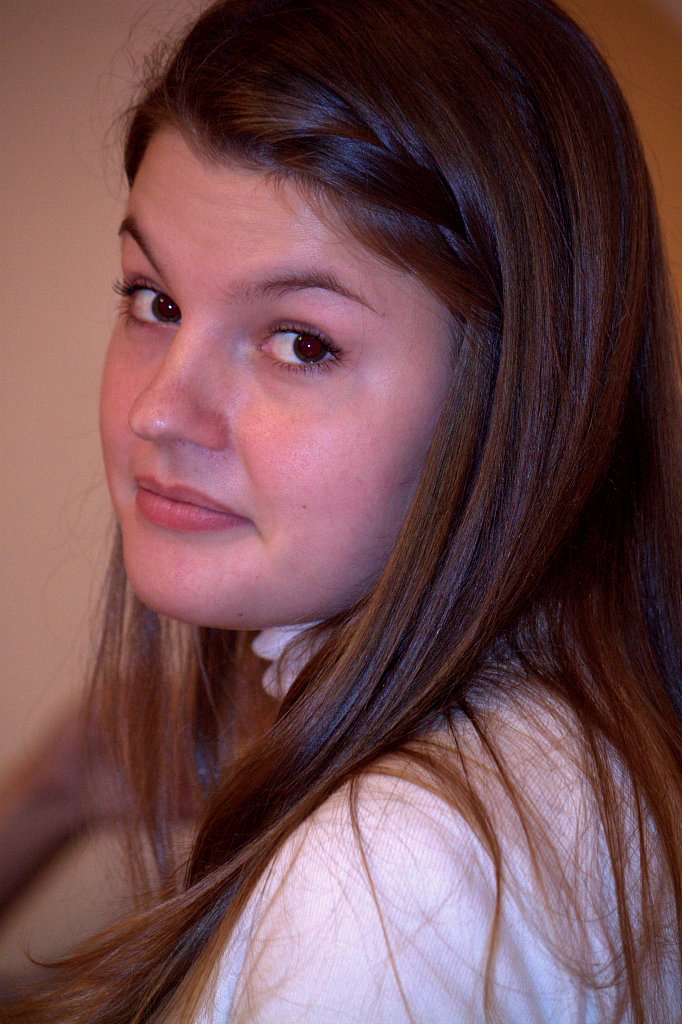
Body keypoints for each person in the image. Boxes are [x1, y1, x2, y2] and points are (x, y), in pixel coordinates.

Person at [2, 0, 680, 1020]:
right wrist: (60, 785)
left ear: (516, 396)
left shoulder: (385, 877)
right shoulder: (572, 751)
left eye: (301, 342)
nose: (158, 413)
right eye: (156, 301)